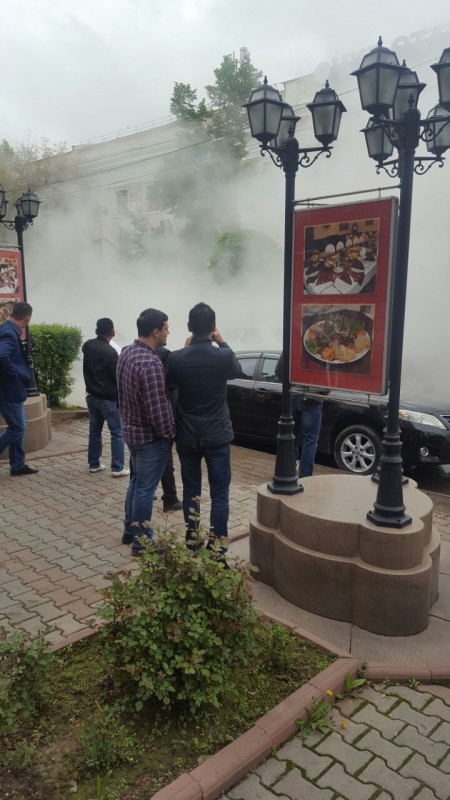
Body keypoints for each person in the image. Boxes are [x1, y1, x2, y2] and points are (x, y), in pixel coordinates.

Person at [166, 302, 243, 555]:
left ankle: (192, 541)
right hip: (217, 435)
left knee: (191, 490)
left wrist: (186, 349)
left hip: (187, 435)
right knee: (220, 493)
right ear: (213, 327)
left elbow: (170, 385)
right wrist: (222, 342)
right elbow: (237, 370)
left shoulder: (176, 357)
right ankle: (217, 549)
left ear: (189, 327)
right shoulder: (223, 356)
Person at [117, 308, 175, 556]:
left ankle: (130, 530)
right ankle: (142, 543)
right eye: (166, 328)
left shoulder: (127, 353)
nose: (168, 332)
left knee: (136, 482)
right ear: (155, 332)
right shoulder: (151, 363)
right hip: (150, 438)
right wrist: (169, 434)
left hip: (131, 432)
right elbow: (158, 409)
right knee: (145, 490)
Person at [82, 318, 129, 477]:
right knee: (117, 432)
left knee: (94, 431)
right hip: (108, 399)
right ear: (113, 333)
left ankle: (94, 464)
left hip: (91, 395)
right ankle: (117, 467)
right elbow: (117, 377)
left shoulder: (88, 346)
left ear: (96, 331)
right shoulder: (111, 352)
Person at [0, 301, 38, 476]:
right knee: (18, 428)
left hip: (11, 390)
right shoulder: (9, 332)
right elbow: (2, 356)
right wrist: (15, 374)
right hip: (9, 390)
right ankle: (17, 464)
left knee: (19, 425)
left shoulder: (7, 328)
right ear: (27, 318)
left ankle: (17, 465)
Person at [275, 354, 324, 478]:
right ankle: (305, 476)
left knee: (292, 437)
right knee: (310, 440)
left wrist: (292, 385)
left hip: (295, 395)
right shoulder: (323, 350)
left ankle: (289, 471)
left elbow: (279, 370)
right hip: (313, 399)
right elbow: (329, 376)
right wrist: (322, 391)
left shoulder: (292, 345)